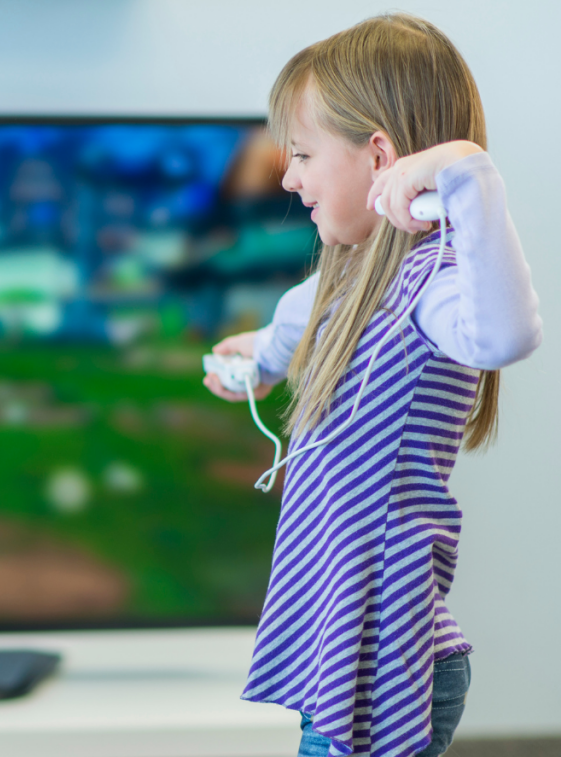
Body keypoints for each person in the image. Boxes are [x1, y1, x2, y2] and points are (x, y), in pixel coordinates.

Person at [203, 13, 541, 757]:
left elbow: (507, 335)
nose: (288, 177)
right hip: (341, 646)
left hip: (388, 660)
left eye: (301, 153)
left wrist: (466, 177)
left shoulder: (436, 284)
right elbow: (288, 331)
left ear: (381, 155)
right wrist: (252, 360)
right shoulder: (343, 279)